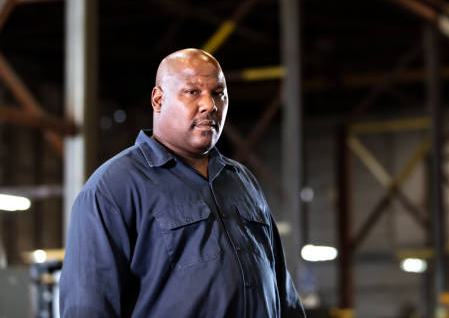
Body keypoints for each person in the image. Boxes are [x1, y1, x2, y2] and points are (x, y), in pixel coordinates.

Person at [59, 48, 306, 317]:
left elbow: (282, 290)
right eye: (193, 92)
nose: (209, 105)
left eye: (218, 93)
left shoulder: (241, 182)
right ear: (158, 100)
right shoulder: (113, 189)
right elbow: (88, 308)